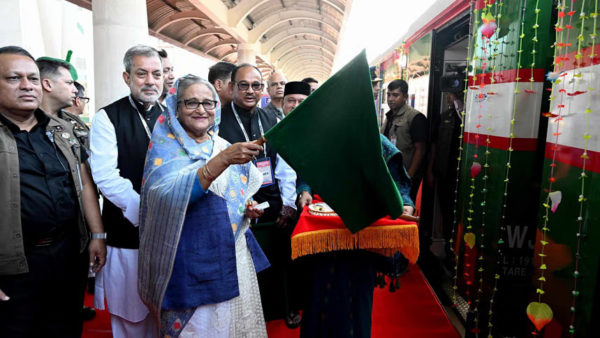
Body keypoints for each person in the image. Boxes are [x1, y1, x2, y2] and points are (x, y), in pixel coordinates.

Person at [139, 74, 270, 337]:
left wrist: (248, 208)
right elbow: (168, 199)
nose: (201, 110)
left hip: (232, 256)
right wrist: (222, 160)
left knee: (233, 325)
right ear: (176, 106)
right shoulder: (165, 149)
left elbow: (235, 193)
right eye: (191, 103)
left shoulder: (222, 145)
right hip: (188, 262)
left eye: (208, 103)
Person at [0, 45, 106, 337]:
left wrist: (97, 235)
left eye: (32, 79)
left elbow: (83, 184)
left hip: (68, 256)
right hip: (15, 266)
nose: (27, 86)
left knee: (65, 329)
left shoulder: (62, 131)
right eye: (13, 79)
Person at [299, 135, 415, 338]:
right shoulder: (322, 134)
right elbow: (307, 169)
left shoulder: (375, 139)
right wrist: (304, 190)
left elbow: (398, 181)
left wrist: (406, 203)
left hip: (362, 235)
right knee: (318, 296)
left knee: (356, 302)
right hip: (325, 229)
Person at [89, 44, 164, 337]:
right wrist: (144, 212)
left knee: (167, 313)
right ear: (127, 77)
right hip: (127, 230)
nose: (150, 81)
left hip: (169, 233)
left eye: (156, 74)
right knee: (130, 317)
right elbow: (106, 176)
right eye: (142, 73)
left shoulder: (173, 113)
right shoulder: (107, 117)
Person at [218, 63, 298, 325]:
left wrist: (288, 203)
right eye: (244, 85)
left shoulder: (272, 119)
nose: (250, 91)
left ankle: (283, 306)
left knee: (281, 255)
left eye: (256, 85)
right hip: (234, 204)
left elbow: (284, 165)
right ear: (232, 87)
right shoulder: (218, 120)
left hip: (271, 200)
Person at [382, 79, 428, 200]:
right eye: (388, 95)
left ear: (405, 96)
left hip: (406, 179)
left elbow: (420, 150)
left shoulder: (415, 117)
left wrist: (409, 177)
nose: (390, 99)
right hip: (390, 178)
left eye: (395, 95)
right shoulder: (389, 117)